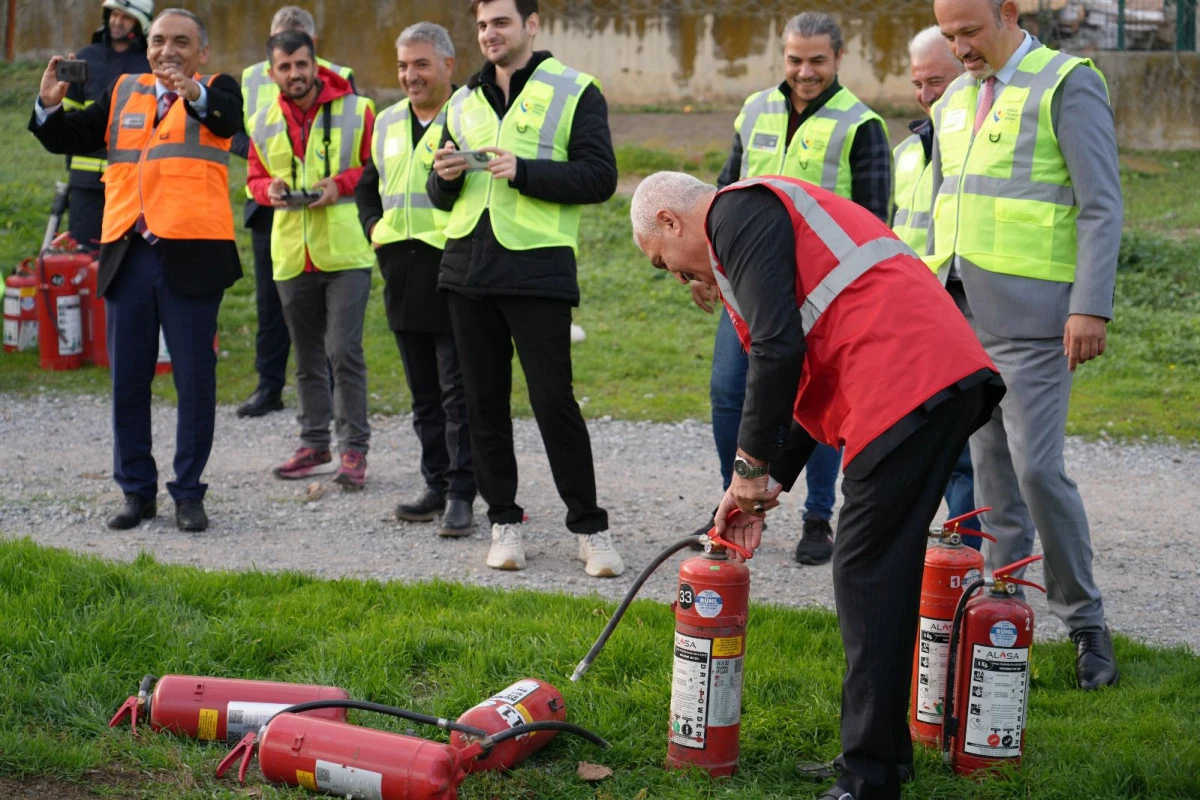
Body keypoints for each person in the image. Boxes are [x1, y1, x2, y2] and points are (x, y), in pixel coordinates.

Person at [631, 170, 1004, 800]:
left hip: (905, 380)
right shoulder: (752, 232)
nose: (676, 277)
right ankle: (881, 757)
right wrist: (766, 479)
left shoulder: (735, 214)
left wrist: (749, 467)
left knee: (863, 575)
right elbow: (796, 372)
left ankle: (867, 779)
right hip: (932, 376)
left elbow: (777, 350)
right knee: (879, 575)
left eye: (664, 261)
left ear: (671, 221)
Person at [930, 0, 1121, 689]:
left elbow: (1101, 202)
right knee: (990, 472)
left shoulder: (1068, 82)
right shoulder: (953, 97)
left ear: (1009, 12)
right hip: (959, 313)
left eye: (970, 32)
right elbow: (941, 201)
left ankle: (1086, 621)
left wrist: (1090, 306)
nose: (960, 49)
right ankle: (1002, 610)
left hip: (1038, 315)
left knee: (1037, 470)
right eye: (949, 37)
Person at [427, 0, 622, 577]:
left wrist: (526, 170)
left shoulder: (575, 89)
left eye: (501, 23)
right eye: (483, 25)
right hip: (467, 269)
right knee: (482, 404)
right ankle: (503, 523)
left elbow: (600, 177)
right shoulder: (461, 100)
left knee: (553, 402)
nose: (490, 34)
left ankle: (591, 530)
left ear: (531, 25)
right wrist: (443, 176)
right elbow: (439, 195)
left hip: (538, 270)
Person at [30, 8, 242, 532]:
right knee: (127, 381)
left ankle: (188, 494)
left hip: (192, 256)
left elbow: (226, 120)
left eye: (181, 42)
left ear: (202, 52)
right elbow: (68, 137)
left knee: (194, 383)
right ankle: (136, 492)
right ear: (147, 47)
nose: (167, 50)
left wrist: (191, 92)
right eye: (159, 41)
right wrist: (47, 106)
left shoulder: (218, 88)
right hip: (128, 253)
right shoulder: (124, 89)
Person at [703, 11, 893, 567]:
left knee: (815, 409)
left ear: (838, 58)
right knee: (727, 394)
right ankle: (737, 501)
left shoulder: (863, 124)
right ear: (781, 56)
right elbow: (723, 193)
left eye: (816, 61)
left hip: (820, 298)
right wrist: (713, 269)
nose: (804, 72)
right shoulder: (755, 109)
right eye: (794, 60)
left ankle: (817, 517)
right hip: (747, 286)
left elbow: (873, 221)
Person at [355, 22, 476, 536]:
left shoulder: (471, 117)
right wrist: (372, 228)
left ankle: (463, 494)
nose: (410, 75)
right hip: (400, 271)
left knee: (458, 393)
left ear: (448, 65)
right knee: (423, 394)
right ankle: (435, 483)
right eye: (404, 65)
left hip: (452, 269)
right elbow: (367, 186)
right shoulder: (385, 121)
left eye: (421, 64)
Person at [247, 30, 375, 490]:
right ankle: (314, 442)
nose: (294, 74)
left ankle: (353, 450)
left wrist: (338, 185)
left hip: (345, 251)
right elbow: (253, 178)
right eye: (285, 67)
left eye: (302, 64)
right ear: (272, 72)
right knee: (306, 358)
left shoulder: (359, 110)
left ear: (315, 64)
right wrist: (270, 191)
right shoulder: (262, 120)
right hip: (290, 253)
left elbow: (374, 168)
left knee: (343, 351)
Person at [233, 6, 359, 419]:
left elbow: (354, 144)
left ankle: (331, 392)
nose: (291, 67)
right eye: (280, 52)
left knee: (326, 320)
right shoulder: (252, 77)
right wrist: (269, 174)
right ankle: (269, 386)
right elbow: (241, 134)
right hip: (272, 205)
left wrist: (333, 184)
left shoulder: (340, 76)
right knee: (271, 307)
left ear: (313, 45)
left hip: (326, 207)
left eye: (298, 47)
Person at [892, 26, 979, 546]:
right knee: (928, 439)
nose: (925, 98)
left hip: (967, 309)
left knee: (969, 444)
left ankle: (969, 556)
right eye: (917, 84)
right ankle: (943, 551)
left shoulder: (978, 148)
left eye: (937, 84)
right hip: (914, 314)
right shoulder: (907, 151)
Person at [62, 0, 154, 251]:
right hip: (85, 182)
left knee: (125, 254)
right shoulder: (83, 57)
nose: (116, 21)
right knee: (83, 253)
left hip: (132, 182)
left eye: (125, 17)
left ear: (141, 23)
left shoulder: (150, 63)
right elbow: (65, 117)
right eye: (113, 14)